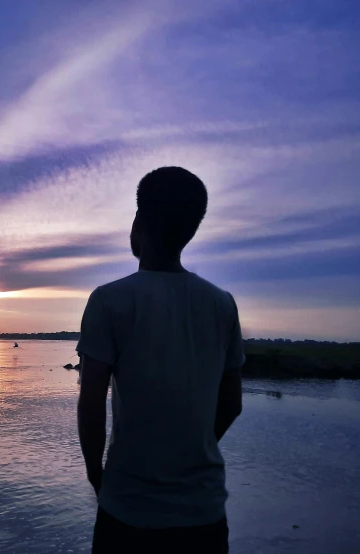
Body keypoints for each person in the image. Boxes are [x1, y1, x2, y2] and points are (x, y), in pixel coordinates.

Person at [76, 167, 244, 553]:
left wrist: (95, 475)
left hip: (128, 512)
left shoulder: (109, 300)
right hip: (204, 514)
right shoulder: (222, 304)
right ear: (191, 230)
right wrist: (185, 453)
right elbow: (231, 404)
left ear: (138, 221)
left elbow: (90, 405)